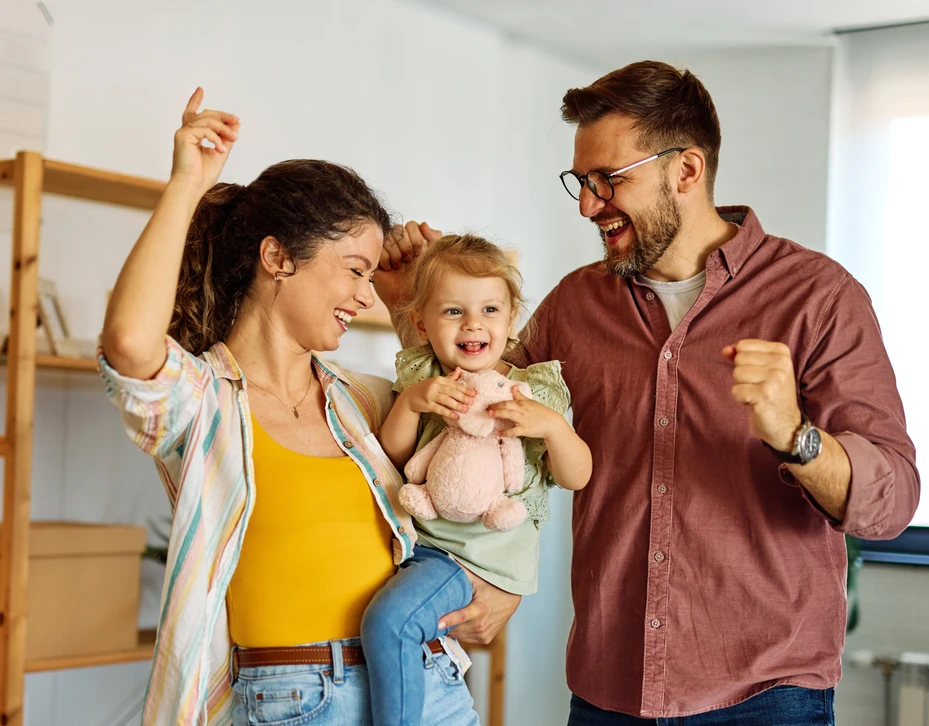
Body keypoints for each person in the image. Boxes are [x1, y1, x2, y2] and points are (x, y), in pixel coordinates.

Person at [379, 62, 920, 725]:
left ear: (684, 171)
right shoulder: (575, 304)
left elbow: (889, 503)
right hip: (610, 691)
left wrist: (794, 435)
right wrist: (414, 310)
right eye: (580, 182)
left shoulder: (818, 297)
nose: (586, 204)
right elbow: (474, 424)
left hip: (767, 696)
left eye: (608, 179)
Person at [99, 88, 485, 726]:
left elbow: (468, 405)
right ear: (277, 257)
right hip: (294, 702)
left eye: (369, 277)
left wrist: (404, 299)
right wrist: (186, 184)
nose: (362, 297)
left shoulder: (359, 401)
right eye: (354, 271)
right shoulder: (202, 404)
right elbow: (131, 343)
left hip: (425, 684)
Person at [361, 234, 592, 726]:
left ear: (511, 322)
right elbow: (396, 455)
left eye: (490, 309)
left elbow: (577, 476)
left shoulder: (531, 391)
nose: (473, 324)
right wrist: (411, 403)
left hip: (473, 562)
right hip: (421, 543)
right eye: (452, 312)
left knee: (390, 623)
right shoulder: (425, 377)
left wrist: (553, 428)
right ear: (421, 324)